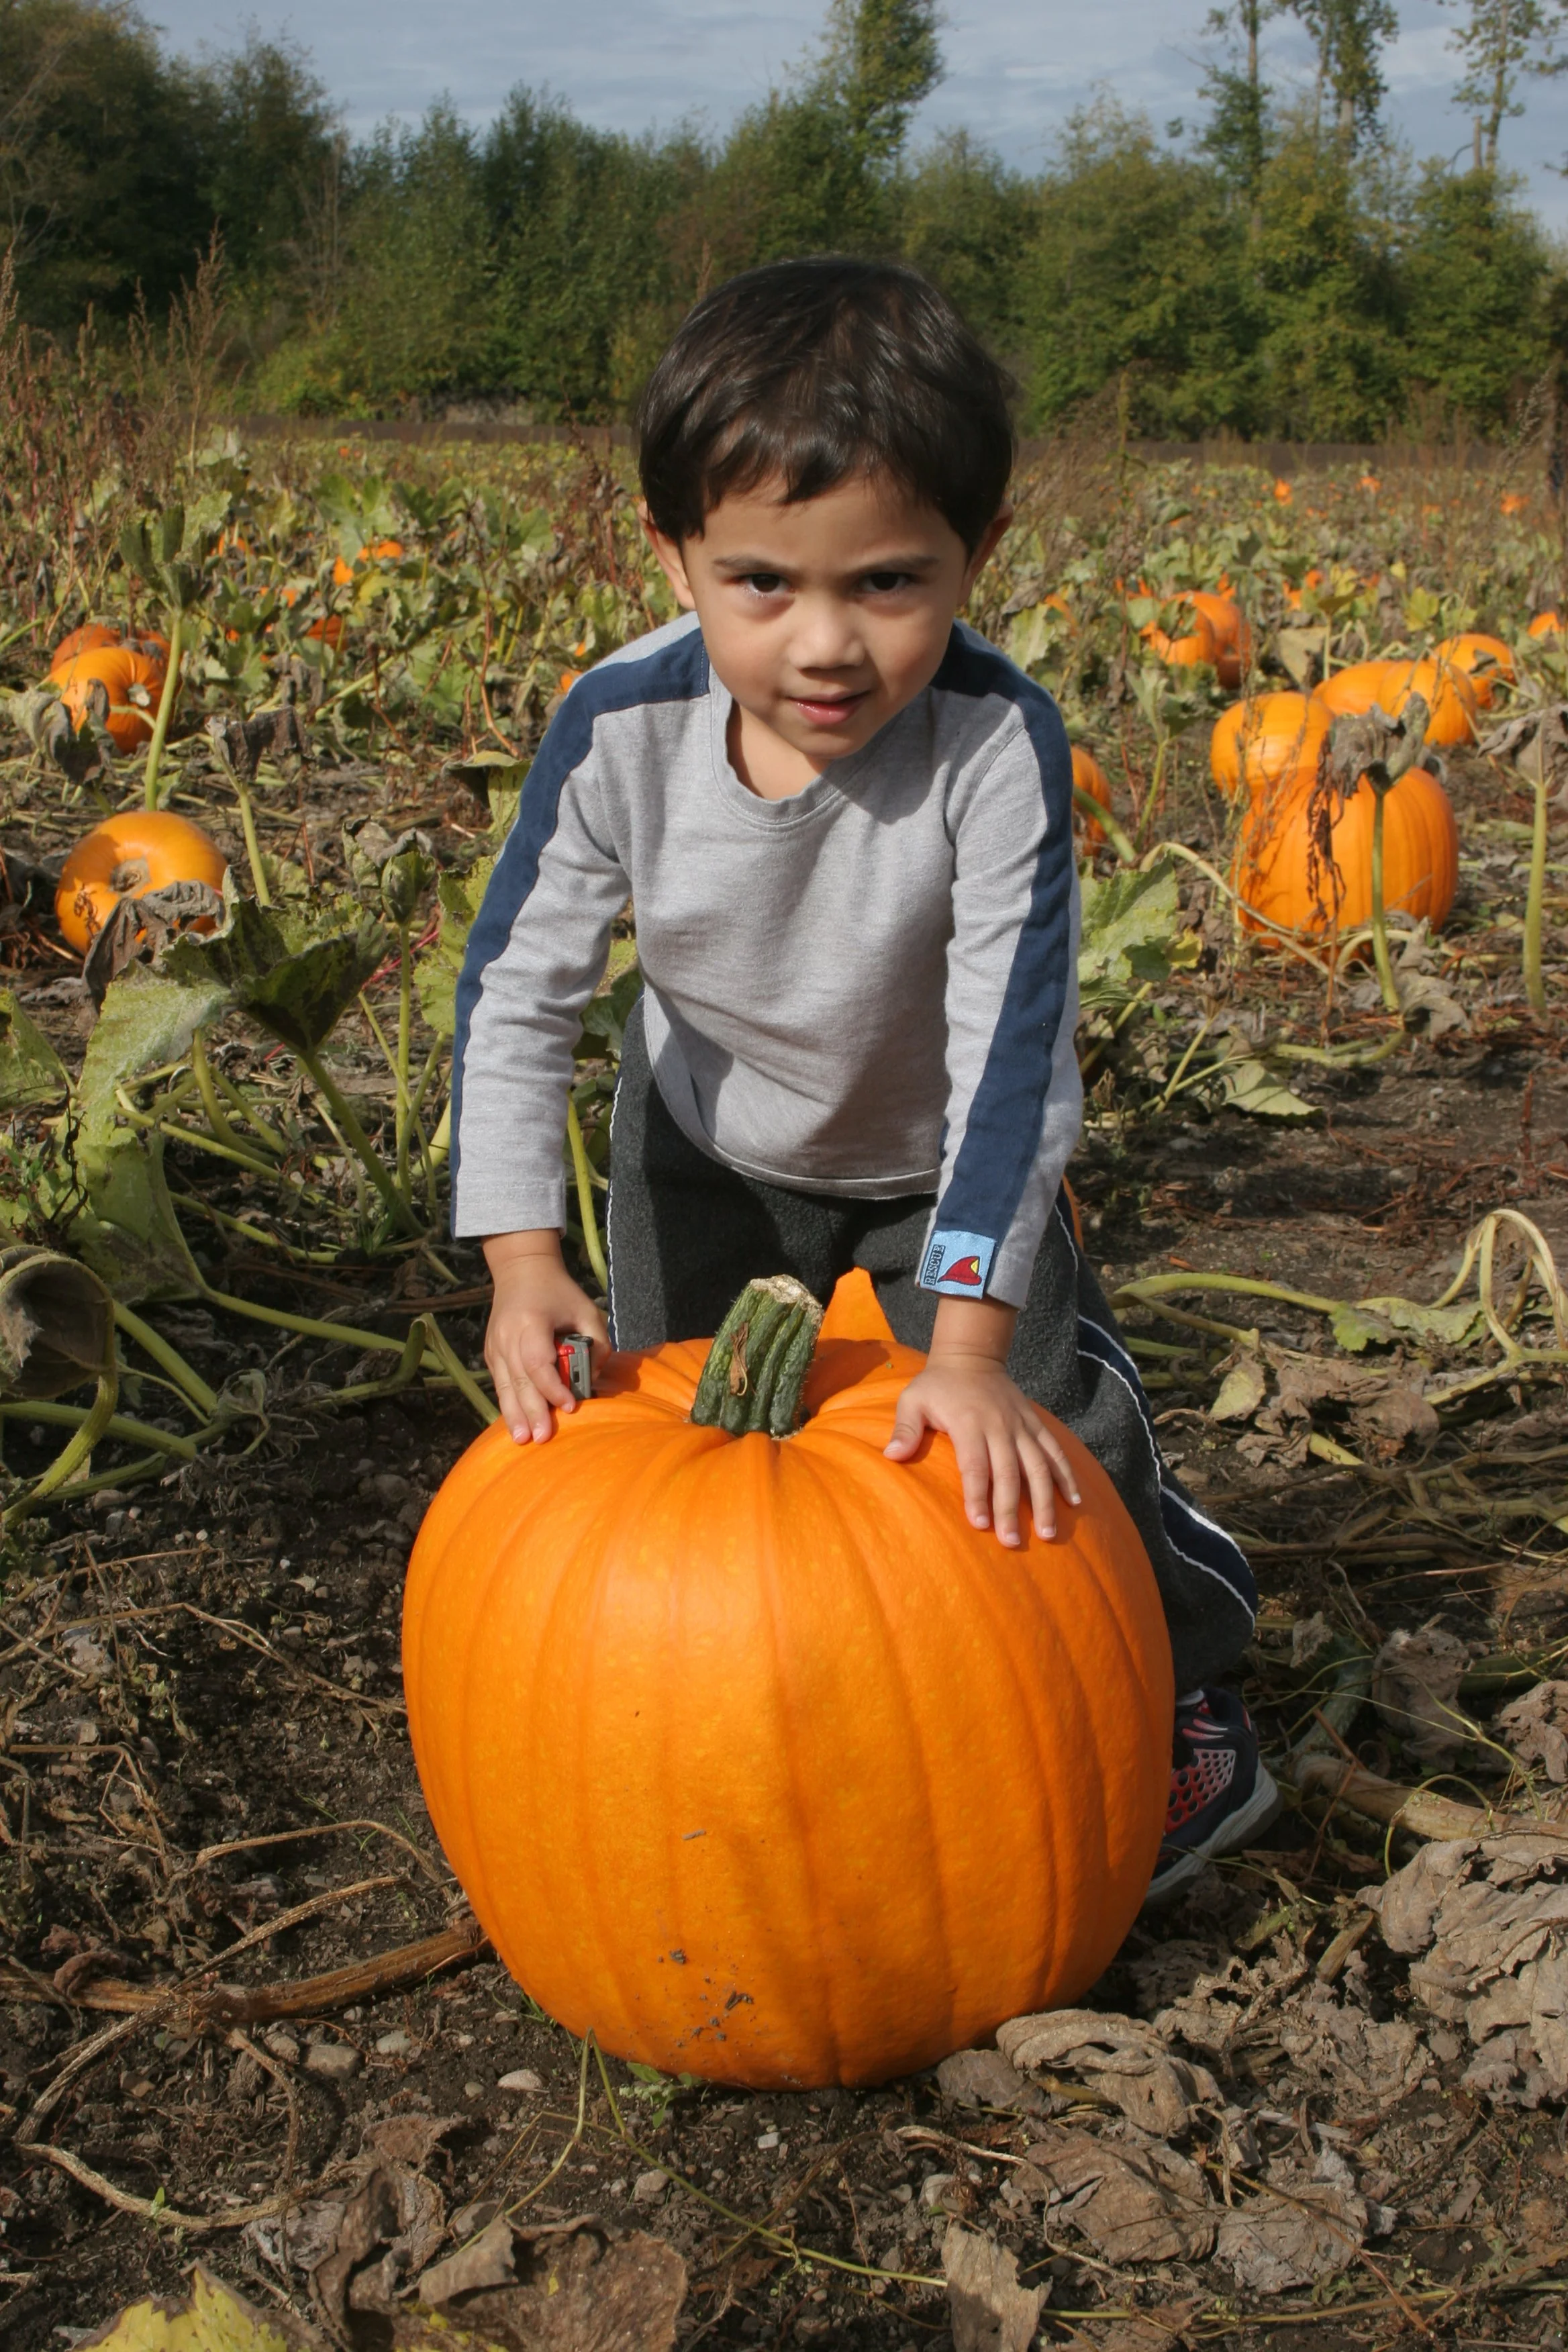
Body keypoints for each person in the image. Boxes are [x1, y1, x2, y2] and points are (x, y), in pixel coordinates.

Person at [449, 255, 1277, 1904]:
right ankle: (748, 1750)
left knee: (1049, 1442)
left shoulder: (995, 746)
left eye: (890, 583)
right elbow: (518, 991)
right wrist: (521, 1259)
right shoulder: (617, 726)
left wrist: (964, 1349)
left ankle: (1184, 1690)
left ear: (978, 553)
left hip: (935, 1162)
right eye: (759, 583)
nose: (823, 645)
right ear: (673, 554)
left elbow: (1011, 1058)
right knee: (691, 1463)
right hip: (705, 1140)